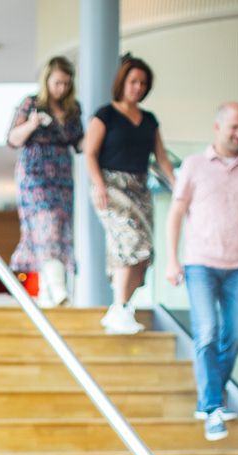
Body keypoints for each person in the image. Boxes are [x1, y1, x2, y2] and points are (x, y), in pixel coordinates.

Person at [163, 102, 238, 442]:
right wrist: (172, 260)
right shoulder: (194, 165)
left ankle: (210, 398)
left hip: (237, 265)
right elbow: (176, 214)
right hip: (200, 263)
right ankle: (213, 408)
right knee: (207, 332)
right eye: (234, 127)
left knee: (235, 336)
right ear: (217, 127)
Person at [84, 55, 174, 334]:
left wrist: (177, 185)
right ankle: (120, 307)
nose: (138, 87)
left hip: (140, 189)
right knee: (130, 243)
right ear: (122, 82)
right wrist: (99, 184)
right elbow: (90, 153)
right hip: (111, 188)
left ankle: (120, 308)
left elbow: (162, 158)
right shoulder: (106, 115)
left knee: (144, 253)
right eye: (133, 81)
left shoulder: (149, 120)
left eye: (143, 83)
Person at [7, 57, 84, 308]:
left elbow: (80, 143)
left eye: (66, 83)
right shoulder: (31, 104)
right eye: (57, 82)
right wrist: (32, 124)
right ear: (47, 80)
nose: (61, 88)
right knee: (44, 225)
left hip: (61, 176)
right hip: (35, 175)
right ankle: (58, 288)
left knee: (58, 229)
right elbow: (12, 139)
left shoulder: (73, 109)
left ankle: (46, 292)